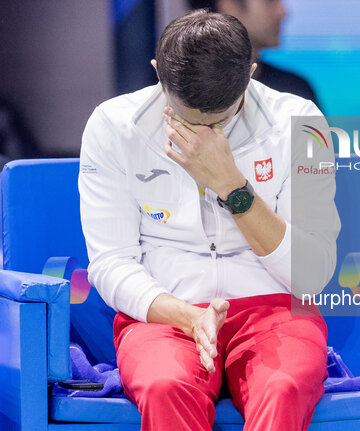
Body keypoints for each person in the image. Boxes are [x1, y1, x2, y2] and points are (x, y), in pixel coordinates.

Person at [79, 9, 339, 431]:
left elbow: (311, 274)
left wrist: (232, 186)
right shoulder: (112, 126)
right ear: (157, 72)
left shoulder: (301, 122)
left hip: (274, 309)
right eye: (185, 118)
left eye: (220, 120)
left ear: (251, 73)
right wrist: (186, 316)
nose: (201, 136)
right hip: (164, 312)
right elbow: (110, 263)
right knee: (165, 386)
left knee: (285, 386)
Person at [189, 0, 320, 107]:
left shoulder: (295, 91)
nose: (283, 12)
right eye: (270, 2)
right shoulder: (183, 90)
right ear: (229, 7)